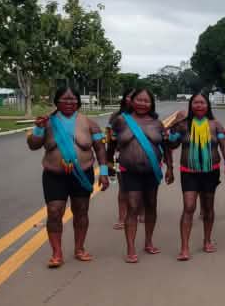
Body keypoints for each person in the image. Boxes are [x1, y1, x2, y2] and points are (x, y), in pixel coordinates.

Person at [27, 87, 110, 268]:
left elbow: (100, 148)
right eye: (65, 100)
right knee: (55, 211)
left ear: (78, 102)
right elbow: (33, 145)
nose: (69, 103)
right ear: (56, 102)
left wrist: (103, 172)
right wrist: (39, 129)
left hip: (82, 173)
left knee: (81, 211)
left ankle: (79, 248)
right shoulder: (47, 123)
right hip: (54, 175)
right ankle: (56, 253)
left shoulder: (89, 123)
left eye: (73, 100)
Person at [111, 88, 175, 263]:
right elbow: (111, 143)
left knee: (151, 205)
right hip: (129, 171)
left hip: (151, 171)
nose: (142, 103)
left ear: (151, 103)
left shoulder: (157, 124)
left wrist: (170, 168)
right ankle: (131, 247)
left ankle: (148, 241)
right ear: (131, 101)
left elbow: (167, 147)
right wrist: (107, 166)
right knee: (132, 206)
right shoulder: (121, 121)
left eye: (146, 101)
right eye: (139, 100)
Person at [168, 93, 225, 261]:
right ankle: (184, 247)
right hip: (189, 172)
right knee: (189, 207)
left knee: (208, 207)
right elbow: (172, 144)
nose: (199, 105)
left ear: (207, 105)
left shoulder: (216, 125)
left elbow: (224, 147)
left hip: (211, 171)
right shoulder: (183, 125)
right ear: (191, 105)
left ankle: (207, 240)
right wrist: (174, 127)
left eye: (202, 103)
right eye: (195, 103)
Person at [107, 88, 135, 230]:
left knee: (141, 187)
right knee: (123, 187)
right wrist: (109, 163)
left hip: (142, 157)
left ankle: (140, 211)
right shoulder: (115, 117)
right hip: (120, 156)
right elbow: (109, 140)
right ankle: (122, 217)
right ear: (124, 99)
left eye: (135, 97)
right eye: (129, 97)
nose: (132, 100)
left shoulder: (147, 117)